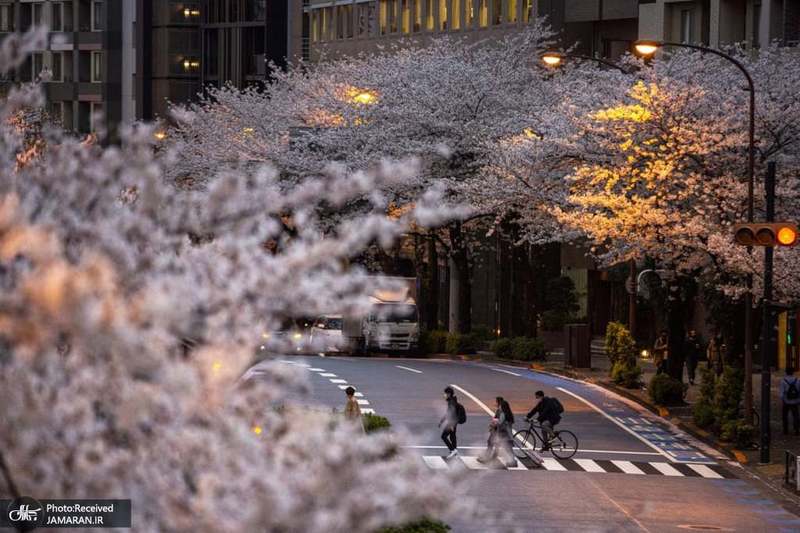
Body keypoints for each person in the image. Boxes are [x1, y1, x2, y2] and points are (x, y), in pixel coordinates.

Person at [478, 397, 515, 465]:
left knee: (506, 447)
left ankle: (512, 461)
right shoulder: (505, 413)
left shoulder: (503, 413)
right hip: (500, 432)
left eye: (500, 406)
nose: (499, 407)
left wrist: (495, 422)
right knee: (492, 443)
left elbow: (500, 422)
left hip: (503, 433)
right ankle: (490, 457)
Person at [440, 386, 459, 459]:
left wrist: (451, 425)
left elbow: (451, 413)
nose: (444, 395)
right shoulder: (452, 400)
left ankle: (452, 450)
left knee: (443, 436)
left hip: (452, 422)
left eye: (445, 393)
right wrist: (442, 421)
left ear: (449, 394)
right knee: (452, 436)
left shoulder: (451, 402)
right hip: (454, 422)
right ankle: (454, 452)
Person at [781, 368, 800, 436]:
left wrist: (782, 399)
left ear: (786, 372)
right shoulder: (797, 380)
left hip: (786, 401)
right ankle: (796, 429)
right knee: (796, 416)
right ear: (793, 372)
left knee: (785, 416)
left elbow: (782, 393)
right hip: (795, 401)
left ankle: (785, 430)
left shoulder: (783, 381)